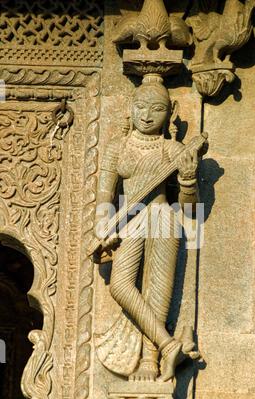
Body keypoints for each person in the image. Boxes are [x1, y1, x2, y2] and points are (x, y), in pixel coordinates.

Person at [95, 74, 207, 382]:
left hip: (161, 217)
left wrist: (187, 179)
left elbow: (189, 208)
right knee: (120, 285)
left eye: (156, 109)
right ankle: (169, 343)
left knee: (157, 288)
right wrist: (102, 227)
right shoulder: (117, 147)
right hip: (129, 221)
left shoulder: (173, 150)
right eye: (141, 107)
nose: (146, 116)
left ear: (169, 112)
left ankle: (150, 358)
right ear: (130, 107)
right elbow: (105, 194)